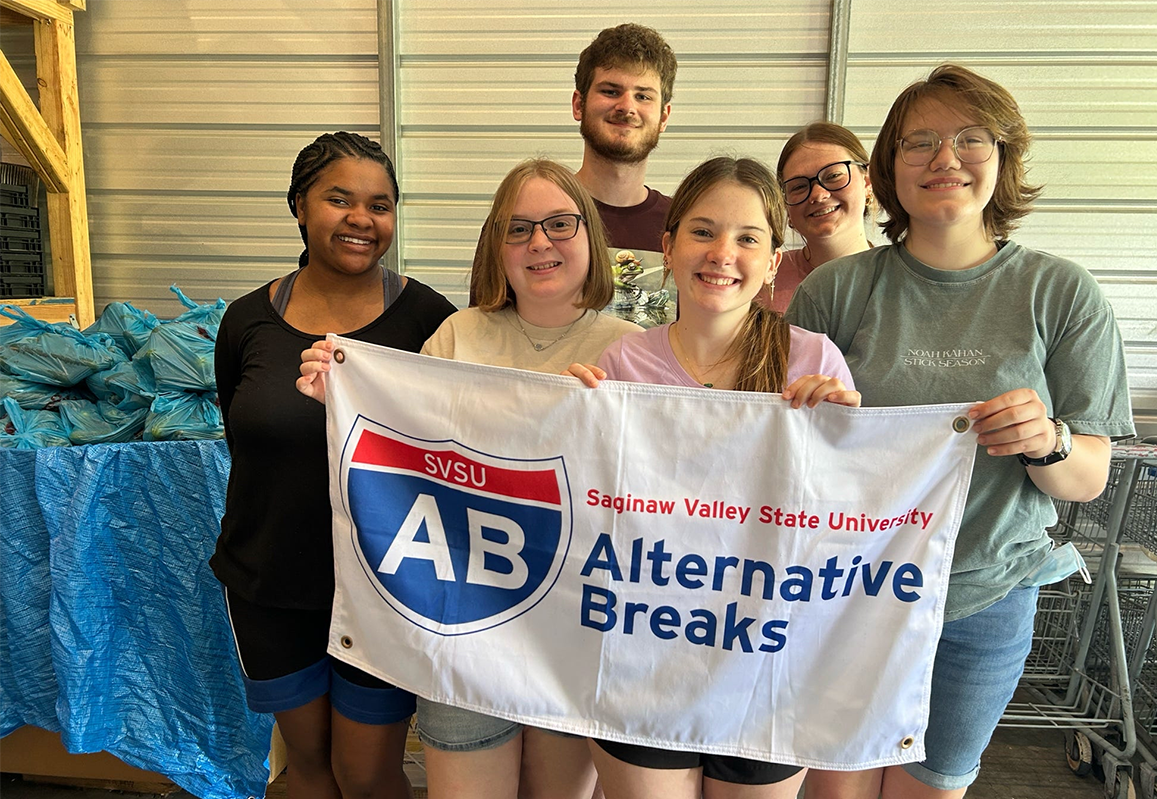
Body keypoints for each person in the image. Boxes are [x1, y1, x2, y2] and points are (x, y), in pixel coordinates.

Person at [785, 65, 1134, 799]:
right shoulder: (834, 292)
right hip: (848, 594)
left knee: (931, 787)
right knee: (834, 785)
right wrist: (810, 416)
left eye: (970, 138)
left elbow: (1090, 476)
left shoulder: (1062, 293)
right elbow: (786, 460)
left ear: (1003, 160)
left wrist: (1050, 440)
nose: (945, 158)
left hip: (985, 601)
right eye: (920, 142)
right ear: (888, 170)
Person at [299, 158, 641, 799]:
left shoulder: (633, 350)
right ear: (497, 247)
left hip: (574, 632)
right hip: (463, 627)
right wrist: (342, 398)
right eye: (518, 229)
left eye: (559, 224)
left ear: (589, 236)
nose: (539, 242)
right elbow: (406, 452)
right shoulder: (457, 335)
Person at [566, 156, 861, 799]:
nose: (722, 252)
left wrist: (846, 440)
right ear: (668, 247)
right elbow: (588, 512)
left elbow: (847, 524)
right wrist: (567, 426)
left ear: (773, 261)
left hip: (767, 664)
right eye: (702, 232)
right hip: (644, 658)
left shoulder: (813, 360)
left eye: (747, 237)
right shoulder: (621, 363)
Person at [211, 132, 456, 799]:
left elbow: (454, 449)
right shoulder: (246, 321)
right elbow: (246, 435)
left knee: (369, 771)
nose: (361, 218)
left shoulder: (431, 321)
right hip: (269, 581)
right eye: (338, 198)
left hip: (385, 585)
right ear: (299, 205)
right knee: (309, 767)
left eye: (379, 204)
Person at [470, 23, 678, 327]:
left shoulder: (683, 225)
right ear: (579, 104)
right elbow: (485, 330)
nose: (627, 107)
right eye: (610, 91)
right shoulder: (522, 216)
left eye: (643, 96)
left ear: (663, 117)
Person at [756, 122, 874, 313]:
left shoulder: (901, 279)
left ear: (867, 183)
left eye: (834, 175)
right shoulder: (759, 281)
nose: (818, 195)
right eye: (799, 187)